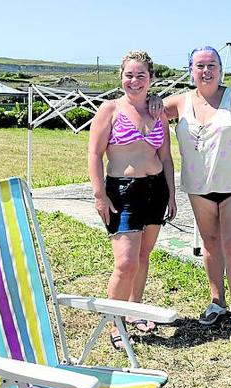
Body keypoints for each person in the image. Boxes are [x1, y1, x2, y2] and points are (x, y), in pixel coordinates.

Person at [163, 46, 231, 343]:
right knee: (209, 244)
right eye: (199, 66)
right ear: (190, 70)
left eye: (211, 65)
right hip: (198, 187)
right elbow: (146, 109)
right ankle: (217, 301)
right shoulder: (180, 101)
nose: (206, 71)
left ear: (220, 69)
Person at [88, 50, 177, 350]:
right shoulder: (109, 110)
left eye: (141, 75)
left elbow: (165, 156)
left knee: (142, 257)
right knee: (125, 263)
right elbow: (94, 154)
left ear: (151, 78)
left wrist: (172, 194)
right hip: (122, 192)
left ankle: (135, 310)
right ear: (121, 77)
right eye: (129, 75)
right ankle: (116, 322)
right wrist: (99, 195)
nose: (134, 81)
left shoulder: (157, 111)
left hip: (155, 191)